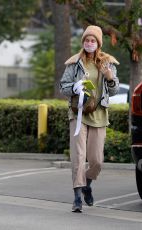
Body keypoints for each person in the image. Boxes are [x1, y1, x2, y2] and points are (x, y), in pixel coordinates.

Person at [60, 25, 119, 212]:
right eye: (86, 40)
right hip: (77, 115)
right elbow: (63, 87)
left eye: (93, 41)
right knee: (78, 157)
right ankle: (77, 197)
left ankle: (87, 185)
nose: (89, 43)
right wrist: (75, 87)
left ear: (98, 43)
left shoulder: (107, 63)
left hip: (99, 115)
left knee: (97, 161)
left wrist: (110, 77)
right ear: (83, 42)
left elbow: (114, 90)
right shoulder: (74, 62)